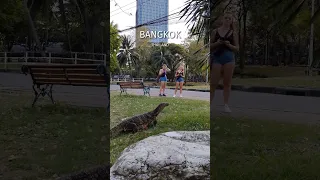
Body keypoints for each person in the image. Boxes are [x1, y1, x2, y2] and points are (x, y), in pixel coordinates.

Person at [210, 12, 239, 113]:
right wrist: (217, 43)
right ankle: (210, 104)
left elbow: (237, 48)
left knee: (227, 83)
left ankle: (226, 105)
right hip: (217, 58)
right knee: (213, 83)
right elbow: (209, 46)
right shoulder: (215, 31)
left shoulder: (233, 33)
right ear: (222, 19)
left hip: (229, 59)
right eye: (226, 18)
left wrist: (229, 45)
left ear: (231, 21)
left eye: (229, 19)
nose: (227, 20)